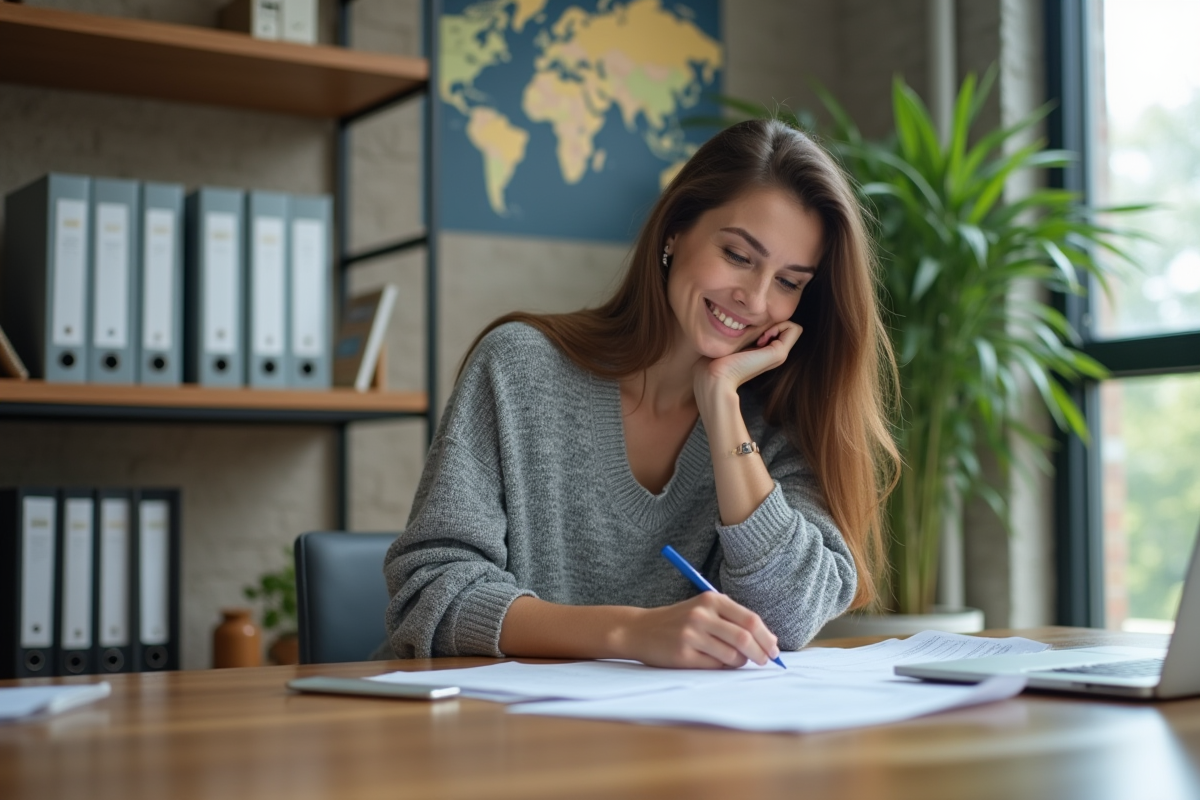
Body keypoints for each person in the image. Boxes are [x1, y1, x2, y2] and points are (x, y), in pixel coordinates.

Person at [383, 118, 899, 669]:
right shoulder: (519, 369)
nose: (754, 297)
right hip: (492, 738)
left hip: (668, 744)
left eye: (789, 282)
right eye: (738, 255)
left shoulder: (780, 416)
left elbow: (788, 619)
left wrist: (721, 403)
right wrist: (629, 632)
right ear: (675, 231)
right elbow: (428, 593)